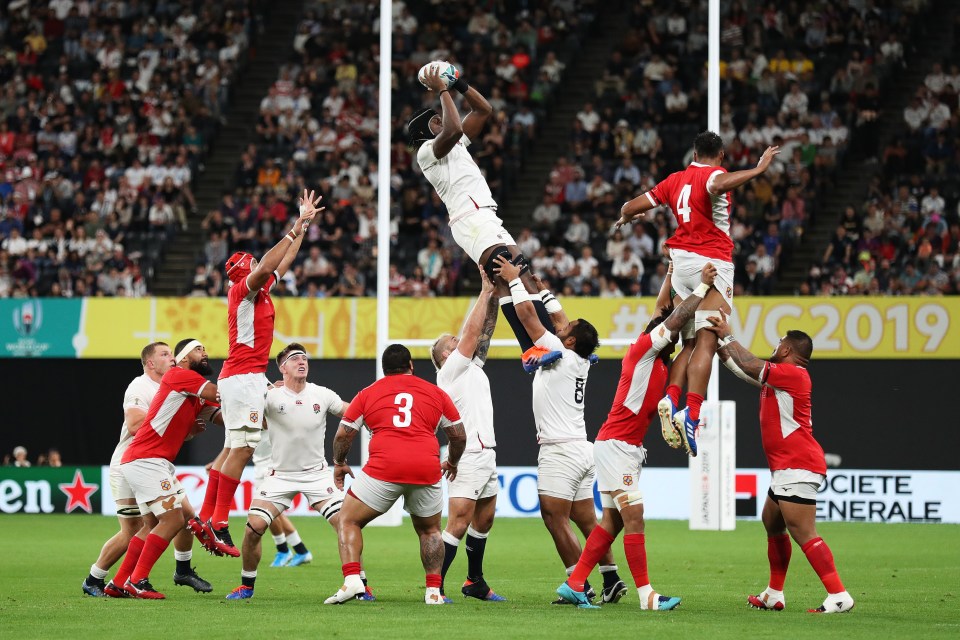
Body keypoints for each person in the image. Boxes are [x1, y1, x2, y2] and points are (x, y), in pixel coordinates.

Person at [556, 263, 717, 610]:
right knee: (635, 516)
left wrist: (672, 274)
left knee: (612, 521)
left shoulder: (661, 363)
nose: (671, 337)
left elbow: (668, 317)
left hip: (625, 447)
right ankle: (647, 596)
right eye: (667, 334)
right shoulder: (642, 349)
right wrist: (702, 289)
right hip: (616, 445)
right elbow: (669, 320)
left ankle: (574, 582)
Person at [617, 131, 781, 457]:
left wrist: (625, 216)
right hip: (712, 262)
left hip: (680, 266)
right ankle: (691, 413)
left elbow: (631, 205)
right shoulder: (715, 174)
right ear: (720, 156)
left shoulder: (674, 180)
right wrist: (758, 170)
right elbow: (718, 185)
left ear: (694, 152)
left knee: (687, 343)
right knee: (706, 342)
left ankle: (670, 397)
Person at [493, 255, 625, 606]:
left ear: (568, 342)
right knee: (585, 518)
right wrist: (540, 287)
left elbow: (527, 317)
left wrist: (514, 280)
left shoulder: (557, 351)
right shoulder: (576, 356)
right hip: (582, 448)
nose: (560, 328)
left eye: (565, 331)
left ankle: (576, 582)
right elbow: (561, 318)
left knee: (554, 517)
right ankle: (611, 578)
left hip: (560, 450)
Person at [703, 312, 855, 614]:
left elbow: (750, 364)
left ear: (787, 350)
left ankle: (838, 594)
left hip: (798, 463)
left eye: (779, 343)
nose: (775, 346)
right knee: (772, 522)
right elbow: (742, 369)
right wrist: (715, 341)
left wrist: (728, 336)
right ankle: (774, 593)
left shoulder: (794, 375)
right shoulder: (779, 381)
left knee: (803, 531)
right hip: (788, 466)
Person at [408, 65, 556, 366]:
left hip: (486, 216)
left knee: (520, 277)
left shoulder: (455, 143)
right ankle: (535, 345)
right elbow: (454, 128)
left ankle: (538, 344)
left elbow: (484, 110)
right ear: (427, 132)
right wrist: (442, 90)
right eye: (436, 120)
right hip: (469, 220)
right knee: (509, 275)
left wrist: (459, 83)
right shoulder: (427, 152)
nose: (443, 118)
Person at [202, 190, 321, 555]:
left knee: (233, 449)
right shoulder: (242, 290)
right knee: (243, 448)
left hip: (246, 375)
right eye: (253, 263)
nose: (260, 266)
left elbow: (280, 264)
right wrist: (292, 228)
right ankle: (219, 522)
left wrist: (302, 228)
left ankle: (208, 517)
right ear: (244, 271)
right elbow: (269, 265)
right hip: (242, 375)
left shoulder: (262, 292)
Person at [226, 343, 373, 601]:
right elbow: (247, 419)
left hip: (317, 475)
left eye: (304, 358)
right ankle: (246, 586)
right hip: (279, 475)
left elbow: (352, 412)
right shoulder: (270, 397)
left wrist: (378, 415)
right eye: (294, 359)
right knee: (253, 528)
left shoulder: (321, 394)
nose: (301, 362)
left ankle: (360, 584)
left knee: (346, 524)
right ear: (283, 367)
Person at [324, 344, 466, 605]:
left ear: (384, 369)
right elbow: (458, 435)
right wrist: (452, 462)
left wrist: (339, 462)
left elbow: (344, 434)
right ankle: (433, 592)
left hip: (384, 468)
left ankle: (353, 580)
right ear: (411, 365)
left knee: (348, 520)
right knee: (431, 531)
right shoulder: (436, 393)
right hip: (426, 467)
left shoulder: (368, 393)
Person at [82, 342, 215, 598]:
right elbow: (133, 425)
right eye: (164, 354)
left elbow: (168, 432)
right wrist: (163, 412)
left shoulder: (177, 386)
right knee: (135, 528)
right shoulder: (141, 386)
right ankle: (96, 579)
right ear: (150, 363)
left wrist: (186, 430)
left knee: (180, 516)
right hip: (130, 462)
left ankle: (174, 570)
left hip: (155, 462)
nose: (171, 358)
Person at [431, 265, 505, 603]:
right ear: (446, 355)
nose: (460, 341)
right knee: (457, 523)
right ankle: (435, 586)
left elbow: (484, 330)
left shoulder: (470, 367)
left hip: (486, 452)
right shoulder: (449, 372)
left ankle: (474, 581)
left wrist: (495, 295)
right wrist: (482, 290)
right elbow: (474, 333)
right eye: (454, 342)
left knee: (484, 519)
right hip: (469, 455)